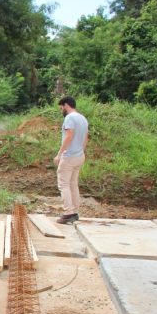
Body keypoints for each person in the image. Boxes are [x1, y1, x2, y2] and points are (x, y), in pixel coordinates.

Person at [55, 96, 88, 224]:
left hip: (69, 156)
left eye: (61, 107)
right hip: (79, 156)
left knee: (63, 184)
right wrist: (81, 151)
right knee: (73, 184)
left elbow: (69, 136)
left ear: (66, 105)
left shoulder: (69, 118)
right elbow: (86, 137)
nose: (61, 110)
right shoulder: (83, 118)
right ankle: (74, 211)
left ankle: (68, 213)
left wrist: (59, 154)